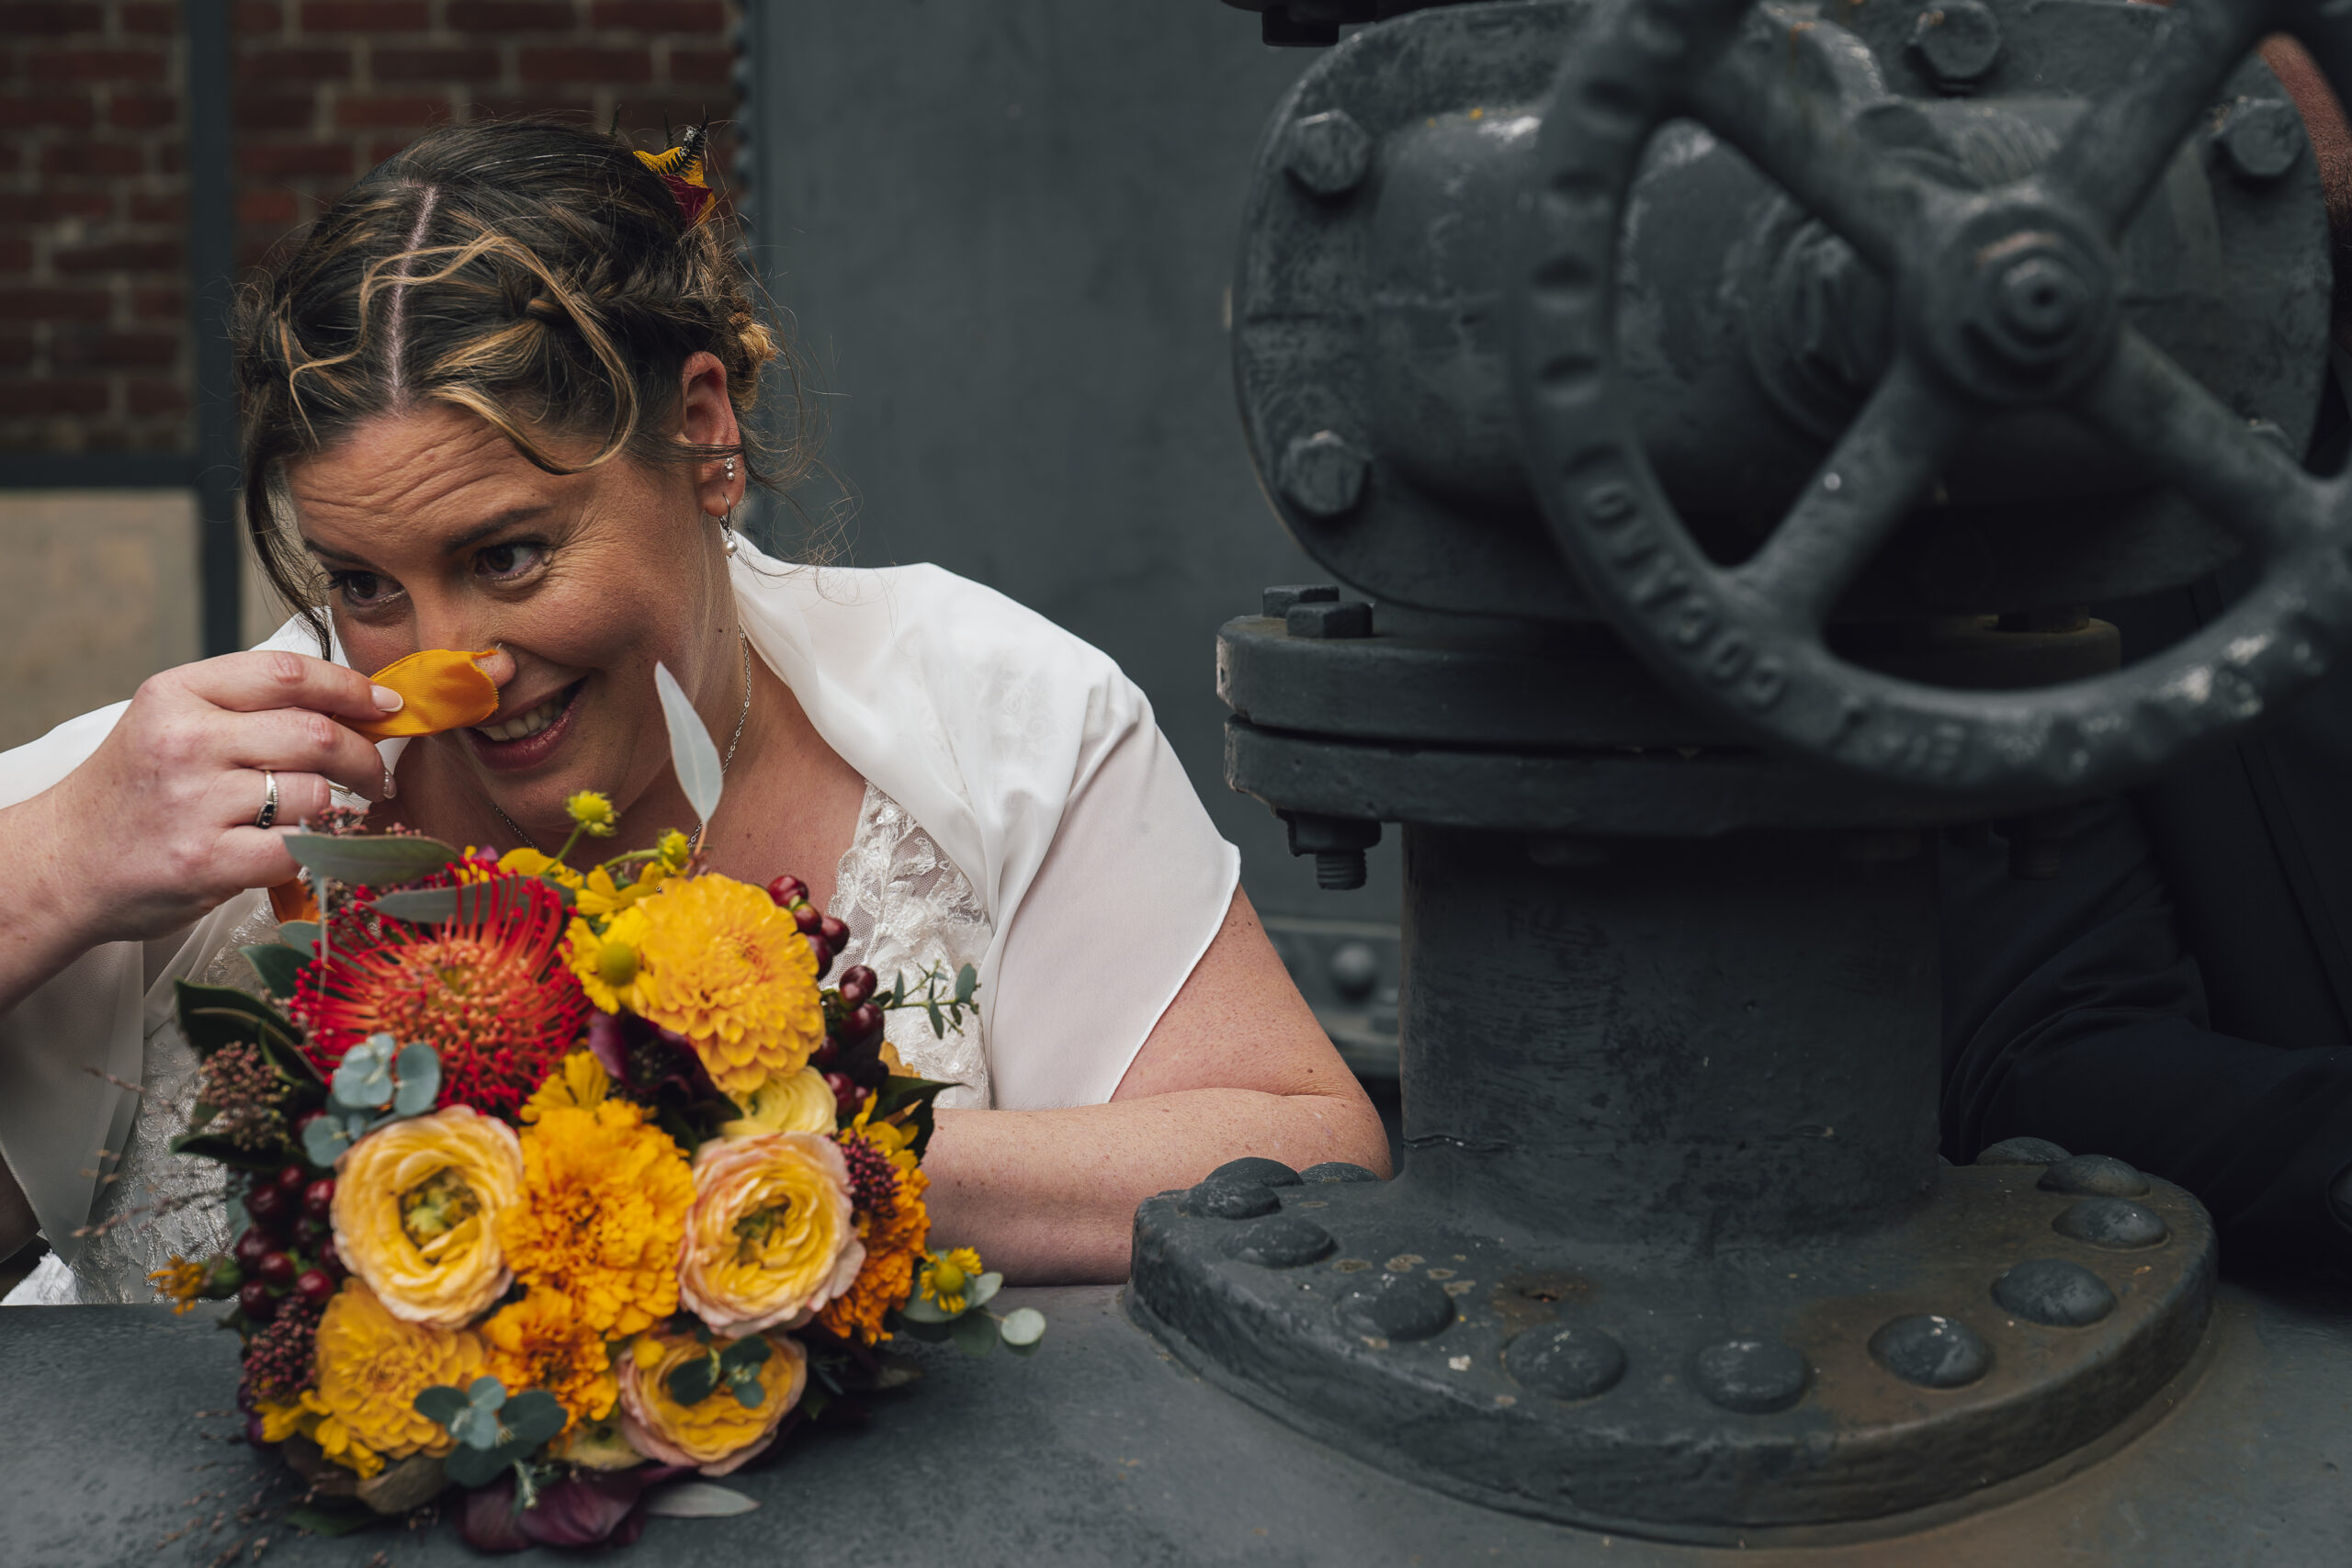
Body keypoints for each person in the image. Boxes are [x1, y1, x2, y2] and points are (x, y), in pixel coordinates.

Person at [0, 119, 1388, 1305]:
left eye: (509, 555)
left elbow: (1307, 1153)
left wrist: (795, 1168)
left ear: (704, 433)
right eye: (364, 584)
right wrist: (55, 865)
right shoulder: (183, 805)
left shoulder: (995, 714)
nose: (446, 667)